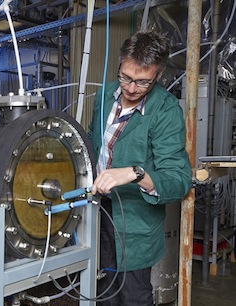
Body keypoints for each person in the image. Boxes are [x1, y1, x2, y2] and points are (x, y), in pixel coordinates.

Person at [88, 30, 192, 305]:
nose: (131, 88)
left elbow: (178, 180)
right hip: (97, 213)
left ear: (157, 76)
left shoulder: (165, 110)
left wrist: (135, 173)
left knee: (132, 295)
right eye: (126, 77)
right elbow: (90, 143)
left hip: (134, 223)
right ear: (120, 64)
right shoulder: (104, 96)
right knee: (101, 291)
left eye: (142, 82)